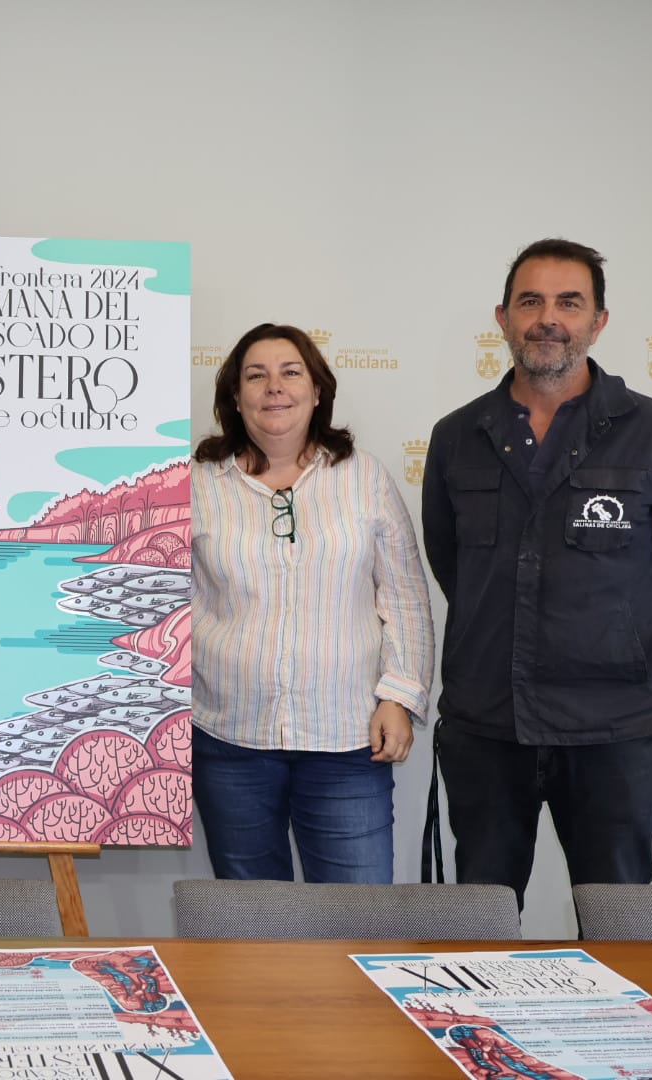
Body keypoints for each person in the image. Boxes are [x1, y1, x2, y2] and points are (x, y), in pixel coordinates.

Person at [421, 238, 652, 907]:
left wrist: (637, 644)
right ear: (502, 317)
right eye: (530, 301)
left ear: (598, 321)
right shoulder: (457, 435)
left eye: (568, 302)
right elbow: (453, 566)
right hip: (488, 722)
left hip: (613, 726)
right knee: (480, 920)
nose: (547, 318)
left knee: (621, 920)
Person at [190, 322, 434, 883]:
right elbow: (168, 600)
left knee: (357, 921)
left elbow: (405, 596)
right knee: (252, 926)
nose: (274, 387)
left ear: (317, 390)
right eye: (256, 376)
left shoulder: (363, 477)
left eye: (290, 372)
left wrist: (399, 696)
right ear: (235, 395)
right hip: (229, 740)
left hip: (347, 742)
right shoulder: (198, 484)